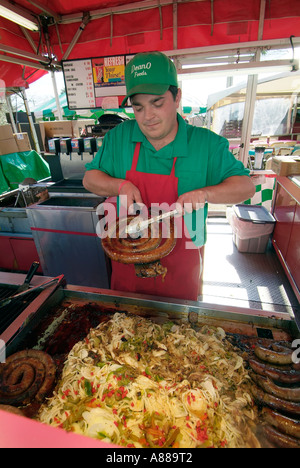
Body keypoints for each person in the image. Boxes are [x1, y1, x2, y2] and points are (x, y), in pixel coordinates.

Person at [83, 51, 255, 301]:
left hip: (181, 271)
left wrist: (205, 193)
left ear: (177, 98)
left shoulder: (206, 144)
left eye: (157, 103)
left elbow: (245, 187)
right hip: (127, 265)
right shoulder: (118, 138)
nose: (147, 116)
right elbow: (90, 179)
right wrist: (119, 185)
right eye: (138, 107)